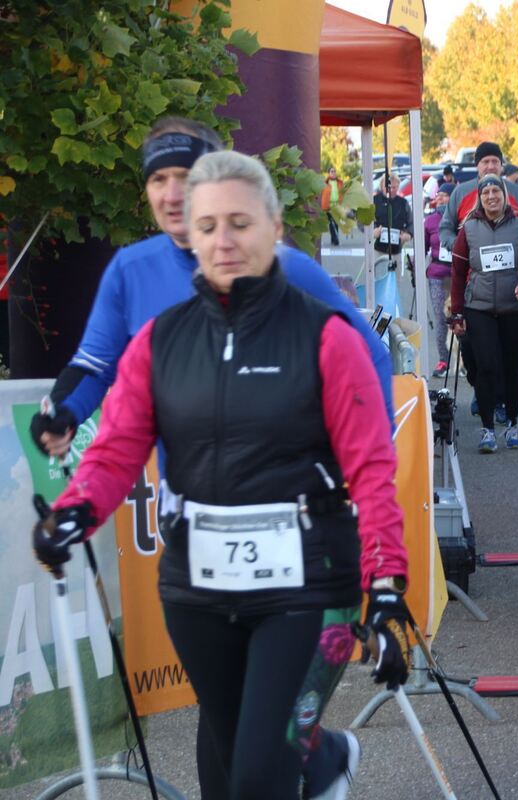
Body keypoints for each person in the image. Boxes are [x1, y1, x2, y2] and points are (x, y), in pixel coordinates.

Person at [28, 118, 396, 800]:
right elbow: (106, 411)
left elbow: (370, 419)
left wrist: (379, 552)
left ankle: (309, 761)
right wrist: (72, 489)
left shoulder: (306, 297)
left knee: (256, 770)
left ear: (272, 223)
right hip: (199, 559)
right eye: (164, 188)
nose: (220, 238)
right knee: (227, 764)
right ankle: (323, 761)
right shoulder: (148, 307)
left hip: (304, 565)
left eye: (237, 221)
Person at [31, 117, 393, 455]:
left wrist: (370, 466)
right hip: (190, 501)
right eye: (158, 179)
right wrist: (62, 415)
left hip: (289, 503)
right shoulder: (130, 271)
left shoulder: (283, 267)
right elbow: (94, 366)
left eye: (185, 178)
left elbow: (372, 355)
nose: (171, 195)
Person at [449, 175, 518, 452]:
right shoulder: (469, 229)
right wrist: (457, 313)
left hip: (513, 308)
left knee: (512, 369)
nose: (491, 196)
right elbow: (457, 273)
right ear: (480, 197)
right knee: (487, 367)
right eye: (486, 192)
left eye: (496, 191)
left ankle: (511, 425)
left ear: (504, 196)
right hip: (479, 308)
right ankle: (487, 429)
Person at [438, 142, 518, 252]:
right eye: (485, 162)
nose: (491, 166)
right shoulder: (460, 192)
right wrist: (459, 247)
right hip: (471, 267)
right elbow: (445, 228)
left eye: (495, 161)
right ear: (477, 165)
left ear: (501, 165)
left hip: (511, 267)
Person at [426, 183, 455, 377]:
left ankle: (463, 361)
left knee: (459, 315)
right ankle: (443, 360)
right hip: (437, 273)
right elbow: (422, 248)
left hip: (457, 274)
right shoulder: (429, 221)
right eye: (440, 195)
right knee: (440, 318)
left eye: (446, 196)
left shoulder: (459, 218)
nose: (442, 199)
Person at [372, 171, 412, 265]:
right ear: (382, 186)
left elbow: (411, 222)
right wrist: (373, 231)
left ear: (398, 187)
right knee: (378, 278)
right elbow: (364, 222)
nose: (391, 190)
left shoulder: (403, 203)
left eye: (394, 187)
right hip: (378, 249)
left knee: (395, 279)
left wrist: (409, 234)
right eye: (388, 187)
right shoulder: (374, 201)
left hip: (396, 251)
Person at [320, 166, 344, 245]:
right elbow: (322, 194)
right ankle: (335, 240)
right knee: (330, 223)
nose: (333, 173)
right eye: (332, 171)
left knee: (336, 222)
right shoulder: (325, 183)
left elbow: (343, 192)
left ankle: (334, 239)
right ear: (329, 173)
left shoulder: (339, 182)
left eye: (334, 171)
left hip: (336, 206)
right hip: (328, 206)